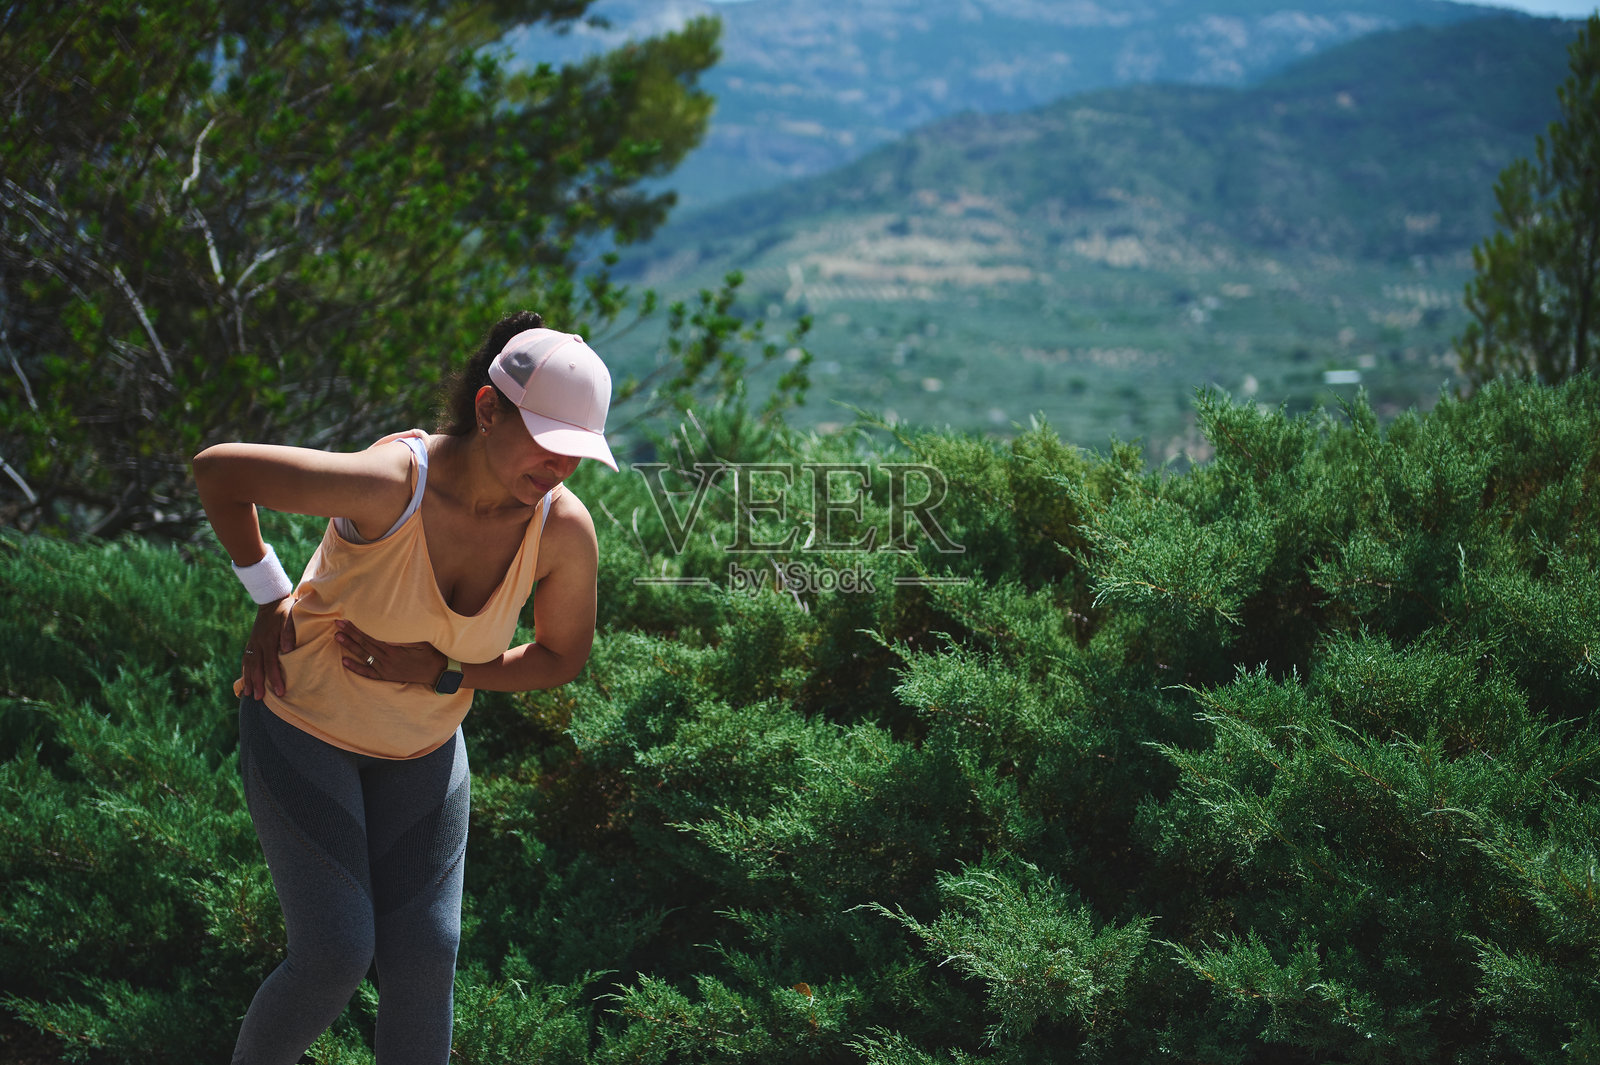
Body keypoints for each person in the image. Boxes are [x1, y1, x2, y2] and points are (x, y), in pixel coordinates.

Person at [192, 311, 615, 1065]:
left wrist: (448, 672)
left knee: (428, 955)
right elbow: (220, 471)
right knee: (335, 952)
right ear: (489, 410)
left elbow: (560, 655)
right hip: (304, 726)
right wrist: (268, 593)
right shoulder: (393, 484)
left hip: (424, 747)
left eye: (577, 453)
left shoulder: (562, 530)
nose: (558, 467)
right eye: (547, 441)